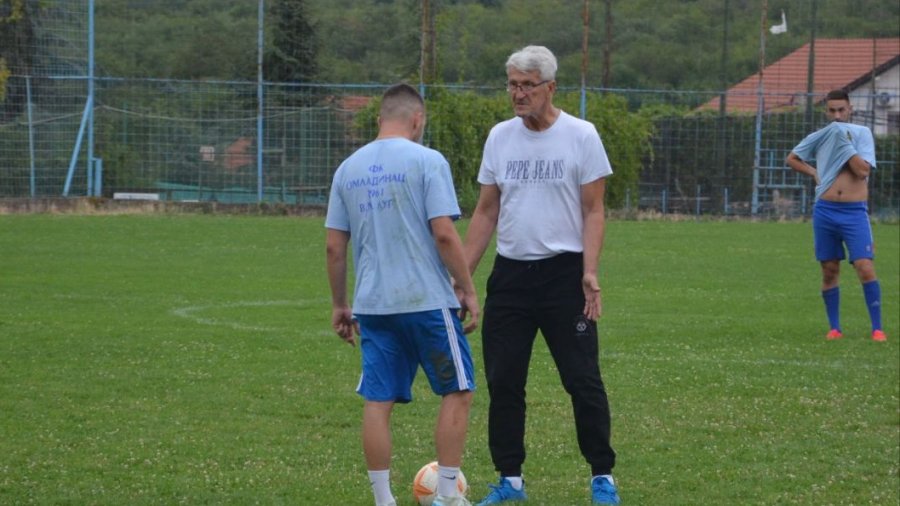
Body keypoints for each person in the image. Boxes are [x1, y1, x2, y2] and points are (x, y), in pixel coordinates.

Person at [462, 45, 619, 505]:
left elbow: (594, 210)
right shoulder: (500, 137)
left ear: (550, 87)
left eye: (527, 85)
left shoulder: (581, 135)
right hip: (510, 277)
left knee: (582, 378)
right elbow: (486, 211)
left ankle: (602, 478)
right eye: (512, 83)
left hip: (563, 277)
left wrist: (589, 271)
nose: (517, 93)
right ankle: (510, 481)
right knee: (505, 381)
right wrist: (463, 278)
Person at [325, 83, 481, 506]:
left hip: (373, 306)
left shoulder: (347, 169)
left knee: (378, 401)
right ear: (418, 120)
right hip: (427, 302)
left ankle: (382, 500)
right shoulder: (429, 160)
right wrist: (466, 288)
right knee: (458, 391)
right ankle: (447, 495)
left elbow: (334, 247)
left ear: (379, 118)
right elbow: (445, 234)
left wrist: (342, 304)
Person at [786, 88, 886, 342]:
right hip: (825, 210)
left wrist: (845, 144)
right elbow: (793, 158)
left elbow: (863, 171)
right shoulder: (819, 136)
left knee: (864, 265)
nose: (837, 115)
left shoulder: (862, 134)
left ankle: (877, 329)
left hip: (854, 212)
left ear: (850, 109)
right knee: (829, 269)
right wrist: (814, 173)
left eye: (841, 109)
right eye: (832, 110)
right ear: (826, 111)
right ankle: (835, 328)